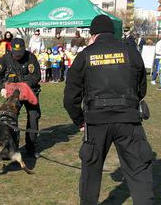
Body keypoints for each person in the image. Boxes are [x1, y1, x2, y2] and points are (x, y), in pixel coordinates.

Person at [64, 15, 153, 205]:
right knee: (138, 172)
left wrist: (80, 121)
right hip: (128, 121)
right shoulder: (131, 52)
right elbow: (142, 88)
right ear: (113, 33)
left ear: (93, 35)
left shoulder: (85, 55)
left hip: (96, 123)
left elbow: (70, 97)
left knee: (91, 172)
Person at [0, 38, 41, 158]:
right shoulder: (5, 58)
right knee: (9, 120)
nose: (18, 56)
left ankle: (31, 148)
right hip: (13, 95)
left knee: (33, 119)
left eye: (20, 54)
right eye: (15, 54)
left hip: (30, 93)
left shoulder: (31, 58)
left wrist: (23, 86)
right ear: (11, 50)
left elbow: (36, 76)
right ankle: (9, 148)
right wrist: (2, 88)